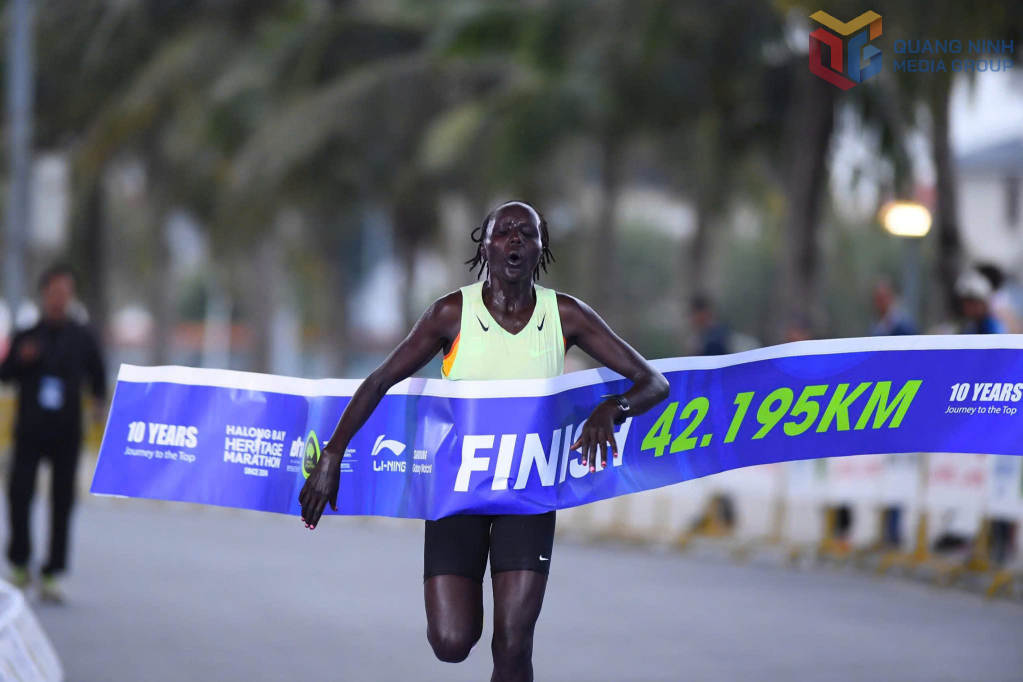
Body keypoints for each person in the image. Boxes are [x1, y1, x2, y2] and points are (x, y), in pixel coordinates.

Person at [299, 201, 669, 681]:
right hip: (460, 492)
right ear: (485, 245)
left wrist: (611, 408)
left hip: (528, 494)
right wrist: (332, 452)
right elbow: (378, 381)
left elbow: (652, 382)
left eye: (527, 233)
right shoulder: (452, 313)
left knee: (514, 644)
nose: (515, 239)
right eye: (504, 232)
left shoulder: (566, 315)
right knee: (452, 642)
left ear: (541, 249)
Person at [0, 265, 107, 602]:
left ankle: (51, 574)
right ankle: (19, 565)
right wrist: (20, 357)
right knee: (19, 495)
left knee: (62, 503)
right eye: (54, 291)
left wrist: (98, 408)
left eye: (66, 291)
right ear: (45, 294)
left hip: (66, 433)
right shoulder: (26, 335)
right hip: (30, 430)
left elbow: (99, 378)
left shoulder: (83, 336)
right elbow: (5, 376)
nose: (60, 298)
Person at [955, 269, 1006, 335]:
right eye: (966, 303)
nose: (969, 308)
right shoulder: (967, 325)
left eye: (974, 303)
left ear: (984, 304)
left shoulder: (992, 327)